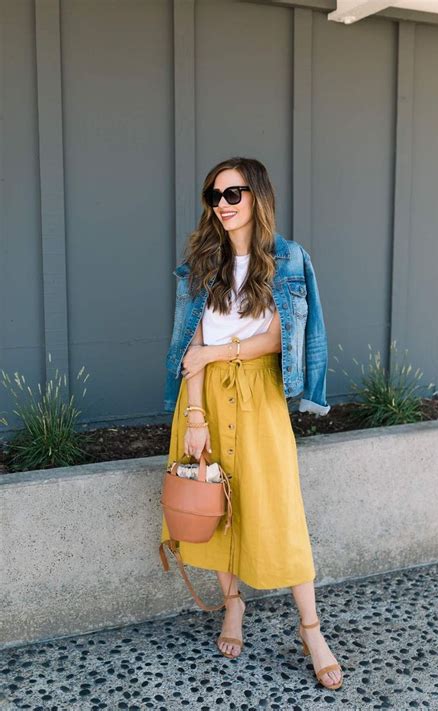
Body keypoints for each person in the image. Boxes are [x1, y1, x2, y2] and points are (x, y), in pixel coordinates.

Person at [160, 157, 343, 690]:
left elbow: (283, 338)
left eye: (233, 193)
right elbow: (192, 346)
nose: (222, 204)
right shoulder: (201, 262)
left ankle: (311, 630)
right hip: (206, 397)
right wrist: (195, 415)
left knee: (279, 508)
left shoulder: (288, 259)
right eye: (214, 196)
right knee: (215, 503)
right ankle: (232, 604)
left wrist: (220, 352)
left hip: (260, 393)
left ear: (257, 195)